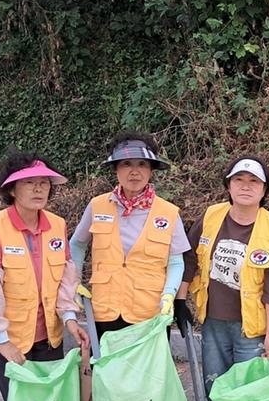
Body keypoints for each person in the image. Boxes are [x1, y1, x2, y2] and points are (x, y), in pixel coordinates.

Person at [175, 157, 269, 401]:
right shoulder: (211, 216)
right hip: (213, 321)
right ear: (228, 185)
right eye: (239, 180)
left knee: (249, 391)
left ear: (265, 190)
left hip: (250, 328)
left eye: (254, 181)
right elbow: (190, 260)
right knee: (214, 386)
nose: (246, 187)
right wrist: (179, 300)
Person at [0, 151, 89, 401]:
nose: (38, 189)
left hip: (49, 337)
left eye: (44, 183)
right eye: (29, 182)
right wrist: (3, 341)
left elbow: (66, 278)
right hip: (8, 339)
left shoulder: (57, 225)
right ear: (13, 189)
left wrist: (70, 318)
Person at [70, 132, 190, 336]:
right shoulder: (97, 206)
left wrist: (169, 295)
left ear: (151, 170)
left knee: (148, 369)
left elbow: (176, 262)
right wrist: (74, 282)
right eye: (126, 163)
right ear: (116, 169)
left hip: (150, 312)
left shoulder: (168, 212)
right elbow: (77, 245)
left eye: (142, 164)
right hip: (105, 311)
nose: (134, 171)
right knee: (106, 367)